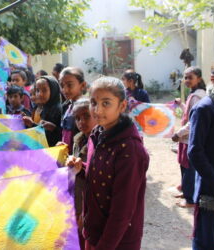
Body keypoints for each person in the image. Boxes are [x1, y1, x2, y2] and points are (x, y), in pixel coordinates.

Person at [67, 76, 149, 250]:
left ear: (122, 106)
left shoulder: (130, 151)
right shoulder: (97, 134)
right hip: (94, 230)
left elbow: (123, 210)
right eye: (93, 102)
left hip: (117, 240)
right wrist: (81, 168)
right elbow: (102, 175)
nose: (97, 110)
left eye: (106, 103)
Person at [188, 56, 214, 250]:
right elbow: (195, 152)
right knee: (210, 244)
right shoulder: (204, 108)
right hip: (213, 194)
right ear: (213, 79)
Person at [171, 66, 206, 208]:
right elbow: (191, 112)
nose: (186, 80)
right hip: (186, 138)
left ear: (199, 78)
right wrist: (181, 104)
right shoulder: (194, 94)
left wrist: (178, 134)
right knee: (184, 165)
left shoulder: (198, 96)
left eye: (190, 77)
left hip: (190, 137)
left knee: (189, 168)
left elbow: (194, 121)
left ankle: (190, 199)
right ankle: (186, 191)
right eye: (185, 77)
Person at [70, 97, 98, 248]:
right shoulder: (78, 140)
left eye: (86, 116)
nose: (81, 122)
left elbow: (96, 173)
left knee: (85, 230)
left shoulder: (99, 142)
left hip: (89, 197)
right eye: (77, 118)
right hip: (78, 193)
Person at [23, 76, 62, 146]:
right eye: (37, 90)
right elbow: (43, 134)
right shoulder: (45, 108)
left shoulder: (58, 110)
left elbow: (57, 136)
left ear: (53, 90)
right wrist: (31, 124)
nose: (40, 94)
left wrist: (54, 129)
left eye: (44, 90)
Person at [59, 67, 87, 153]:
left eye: (69, 85)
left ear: (82, 85)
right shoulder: (66, 106)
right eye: (62, 85)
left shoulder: (86, 108)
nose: (65, 90)